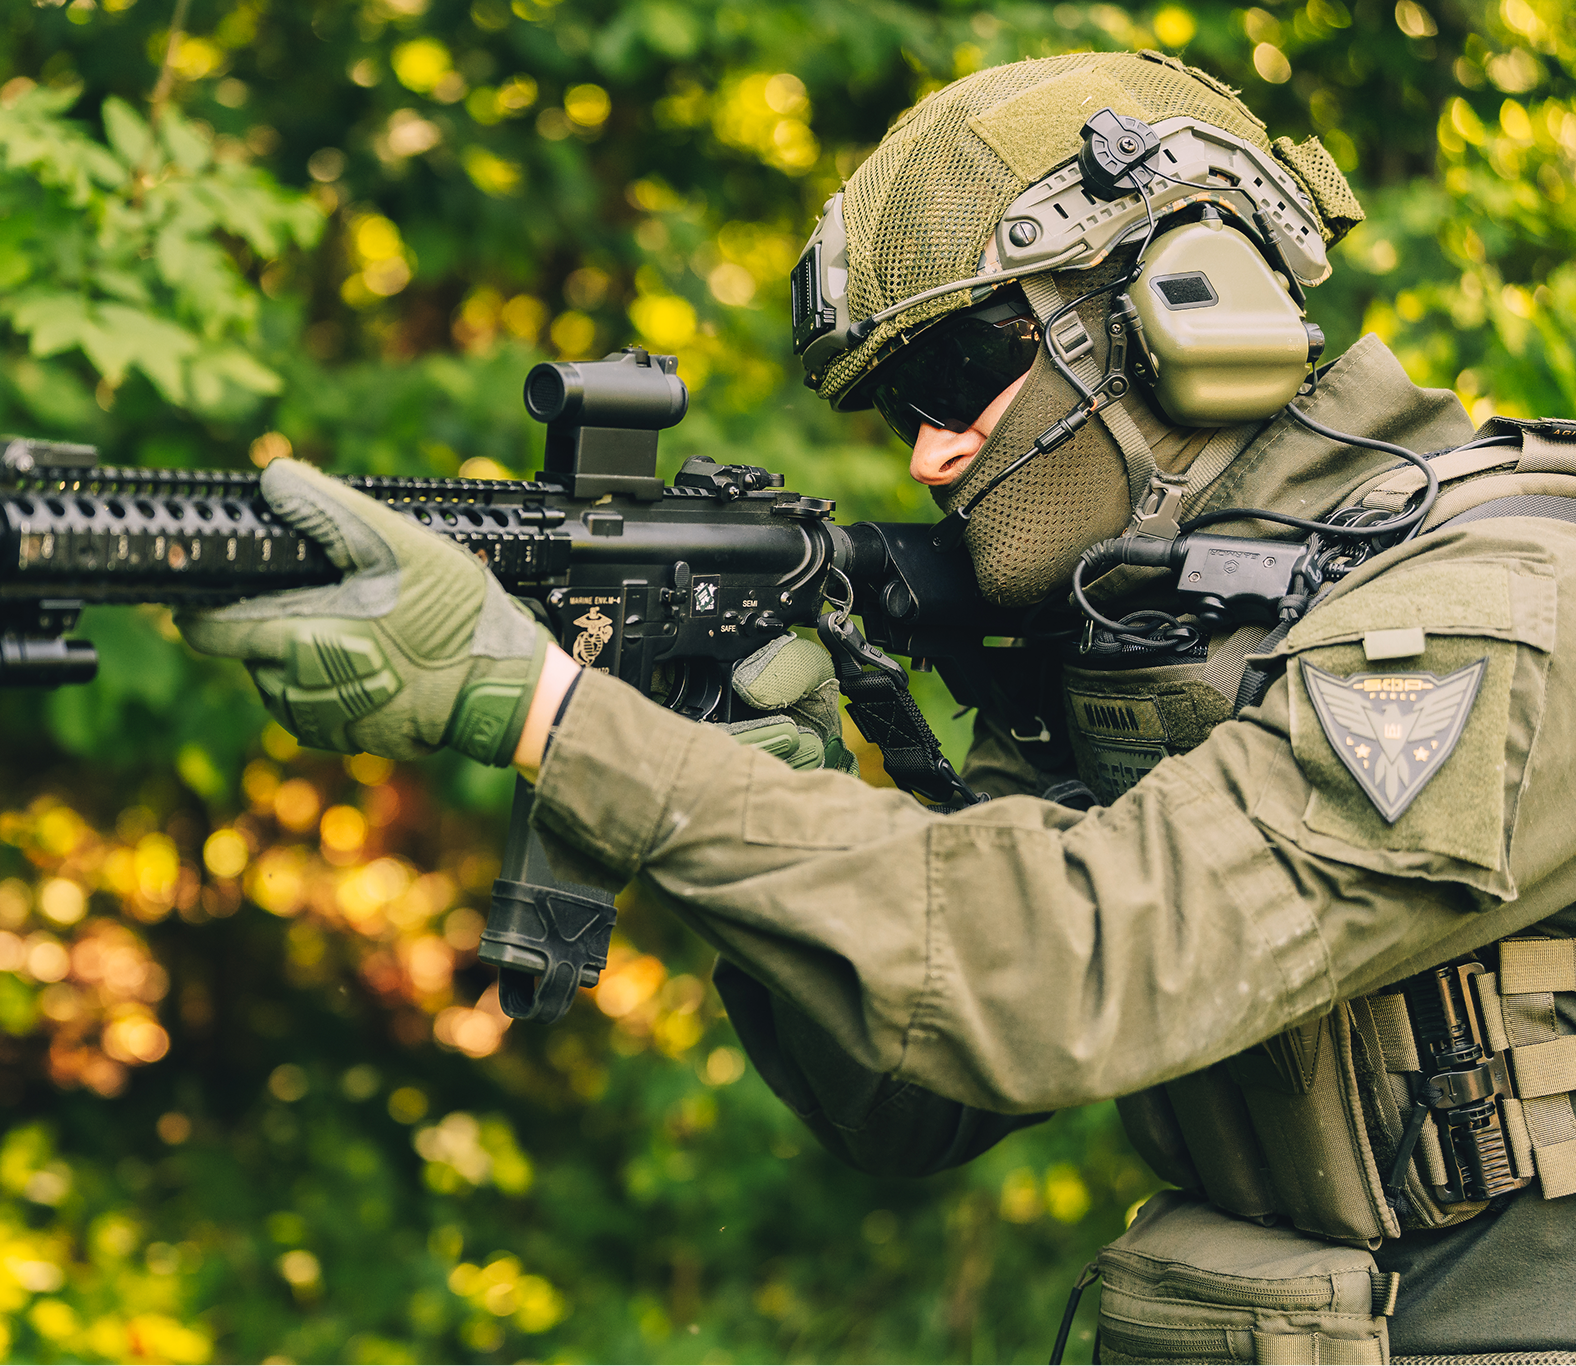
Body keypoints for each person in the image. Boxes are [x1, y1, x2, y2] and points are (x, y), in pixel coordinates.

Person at [186, 50, 1576, 1362]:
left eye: (960, 373)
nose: (928, 452)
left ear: (1183, 303)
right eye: (896, 407)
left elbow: (1079, 971)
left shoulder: (1483, 612)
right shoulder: (1157, 630)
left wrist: (557, 718)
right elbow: (913, 1094)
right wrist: (753, 781)